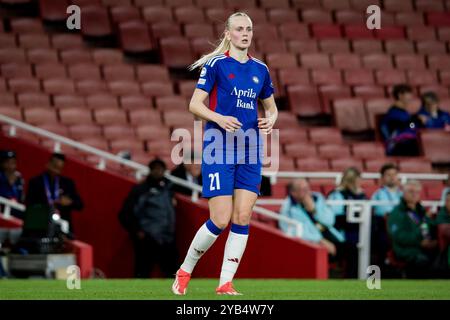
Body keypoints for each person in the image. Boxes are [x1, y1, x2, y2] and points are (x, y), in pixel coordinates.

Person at [172, 12, 278, 295]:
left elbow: (271, 106)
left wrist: (272, 119)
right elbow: (195, 105)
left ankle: (225, 283)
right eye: (240, 29)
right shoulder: (216, 64)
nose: (245, 33)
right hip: (219, 147)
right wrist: (218, 119)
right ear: (229, 34)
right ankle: (185, 269)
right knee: (220, 218)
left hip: (251, 149)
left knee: (242, 217)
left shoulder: (261, 69)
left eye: (249, 29)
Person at [119, 158, 178, 278]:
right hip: (148, 238)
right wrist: (137, 232)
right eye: (155, 169)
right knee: (142, 272)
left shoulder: (168, 189)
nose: (158, 172)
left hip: (167, 237)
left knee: (172, 274)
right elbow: (125, 214)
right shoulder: (140, 190)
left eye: (161, 169)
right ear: (150, 170)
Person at [388, 180, 440, 278]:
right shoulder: (397, 213)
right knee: (423, 260)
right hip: (407, 249)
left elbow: (431, 227)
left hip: (426, 246)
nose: (414, 195)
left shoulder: (421, 211)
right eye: (411, 192)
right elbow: (399, 237)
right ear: (403, 192)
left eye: (417, 192)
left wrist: (433, 240)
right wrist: (420, 242)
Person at [279, 179, 344, 257]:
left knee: (352, 249)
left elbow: (330, 221)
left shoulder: (317, 198)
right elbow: (290, 230)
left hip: (329, 234)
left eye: (307, 188)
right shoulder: (288, 207)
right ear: (293, 193)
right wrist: (319, 241)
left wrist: (314, 211)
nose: (307, 192)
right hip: (311, 243)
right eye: (303, 190)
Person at [26, 153, 83, 236]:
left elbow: (80, 205)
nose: (56, 170)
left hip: (62, 227)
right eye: (55, 166)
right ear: (48, 164)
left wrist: (70, 202)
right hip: (41, 224)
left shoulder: (67, 183)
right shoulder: (36, 182)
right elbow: (29, 203)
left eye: (59, 168)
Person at [328, 167, 367, 278]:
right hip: (342, 233)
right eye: (358, 180)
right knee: (353, 247)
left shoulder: (361, 194)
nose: (360, 183)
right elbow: (337, 219)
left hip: (359, 231)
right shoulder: (337, 195)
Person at [370, 163, 403, 266]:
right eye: (388, 175)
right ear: (382, 178)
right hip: (383, 229)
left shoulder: (403, 194)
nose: (392, 177)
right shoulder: (378, 194)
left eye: (394, 174)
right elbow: (383, 212)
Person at [380, 84, 421, 156]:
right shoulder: (393, 113)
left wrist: (415, 121)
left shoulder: (405, 113)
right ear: (400, 95)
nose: (411, 98)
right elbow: (405, 125)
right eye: (408, 96)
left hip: (408, 142)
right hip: (397, 145)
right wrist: (416, 120)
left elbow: (411, 126)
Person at [0, 150, 25, 219]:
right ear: (2, 164)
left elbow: (21, 197)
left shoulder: (19, 178)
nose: (11, 165)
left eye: (13, 162)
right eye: (8, 162)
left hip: (15, 209)